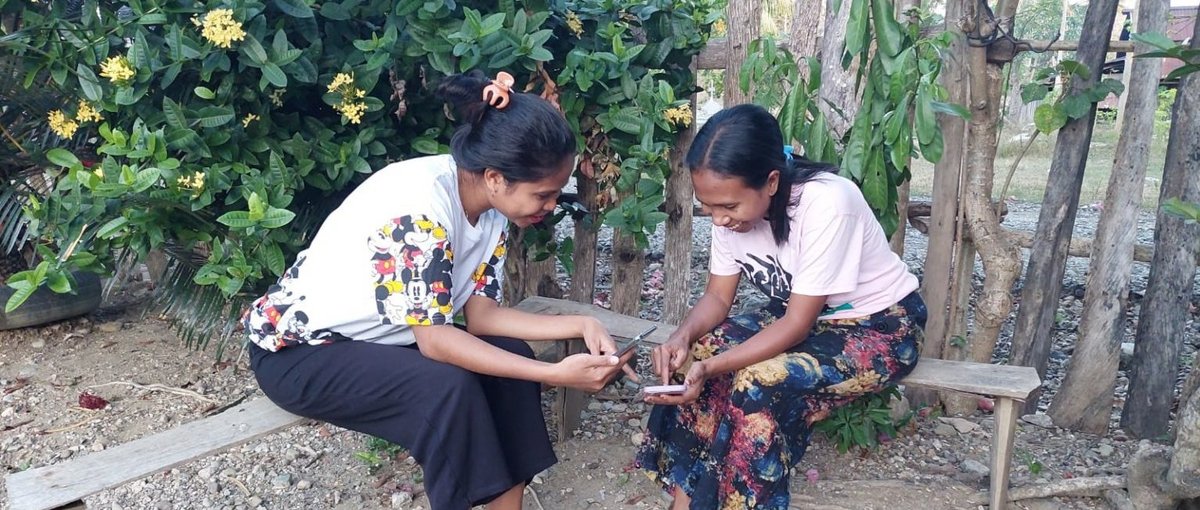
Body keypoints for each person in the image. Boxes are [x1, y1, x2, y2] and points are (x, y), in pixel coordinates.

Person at [243, 70, 635, 510]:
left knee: (512, 360)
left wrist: (583, 322)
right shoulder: (420, 209)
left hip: (385, 341)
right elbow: (435, 341)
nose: (549, 207)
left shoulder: (491, 213)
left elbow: (482, 317)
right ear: (494, 177)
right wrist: (554, 373)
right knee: (446, 388)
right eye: (542, 195)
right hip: (300, 354)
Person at [635, 104, 926, 509]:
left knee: (758, 381)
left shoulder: (827, 203)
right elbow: (718, 297)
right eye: (709, 207)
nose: (718, 220)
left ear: (771, 181)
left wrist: (715, 368)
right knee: (701, 350)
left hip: (880, 326)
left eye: (729, 208)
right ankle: (687, 503)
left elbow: (797, 324)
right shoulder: (729, 211)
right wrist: (682, 337)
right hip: (807, 316)